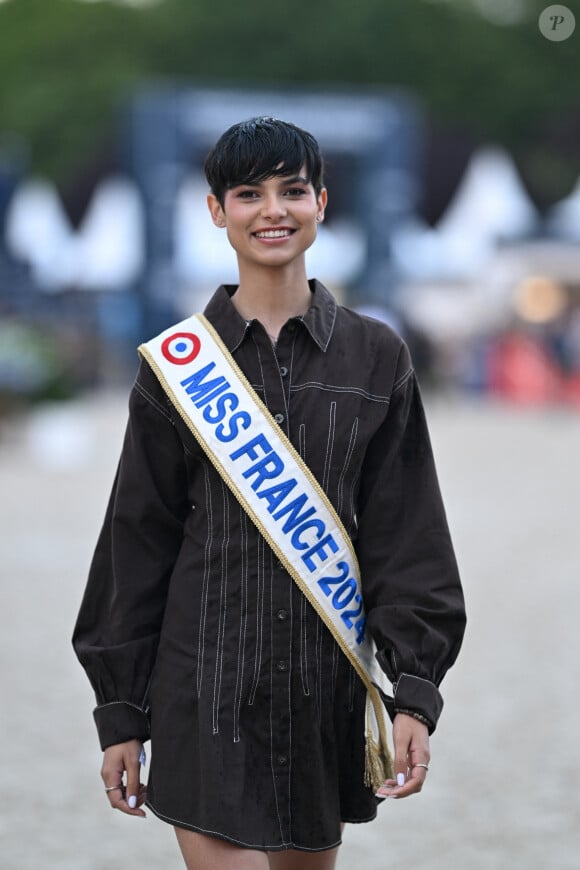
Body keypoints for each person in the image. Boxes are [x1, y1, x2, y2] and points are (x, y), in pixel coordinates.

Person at [73, 117, 466, 870]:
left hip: (322, 694)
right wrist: (119, 710)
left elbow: (406, 531)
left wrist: (414, 690)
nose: (273, 210)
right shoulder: (178, 365)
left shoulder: (376, 356)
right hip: (203, 686)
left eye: (292, 190)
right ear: (217, 211)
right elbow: (136, 540)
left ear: (322, 202)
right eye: (249, 193)